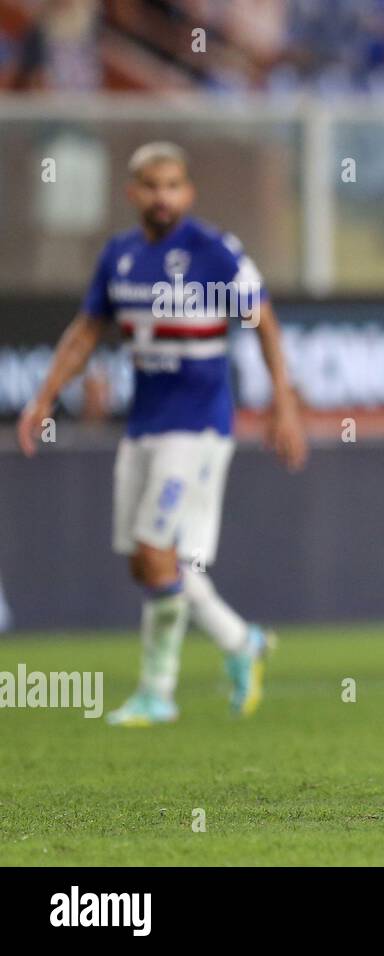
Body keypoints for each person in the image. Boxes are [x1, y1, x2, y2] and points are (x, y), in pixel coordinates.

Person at [17, 141, 307, 725]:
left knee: (157, 552)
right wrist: (45, 396)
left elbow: (264, 320)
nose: (163, 196)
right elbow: (86, 331)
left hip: (197, 427)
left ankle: (159, 692)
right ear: (133, 193)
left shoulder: (213, 251)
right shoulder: (119, 257)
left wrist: (284, 401)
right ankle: (241, 642)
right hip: (144, 425)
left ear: (188, 192)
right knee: (149, 564)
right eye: (152, 186)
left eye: (173, 185)